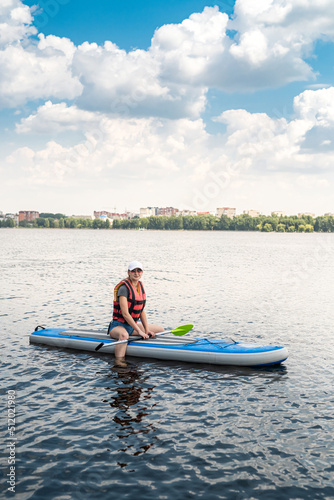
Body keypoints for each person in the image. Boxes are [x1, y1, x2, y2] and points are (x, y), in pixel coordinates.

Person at [108, 261, 164, 364]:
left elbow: (141, 311)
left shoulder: (139, 287)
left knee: (160, 329)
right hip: (118, 326)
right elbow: (125, 314)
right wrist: (139, 332)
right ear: (128, 272)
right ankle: (119, 364)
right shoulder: (123, 288)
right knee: (124, 335)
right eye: (133, 271)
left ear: (142, 272)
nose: (136, 273)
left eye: (139, 270)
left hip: (131, 327)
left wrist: (146, 330)